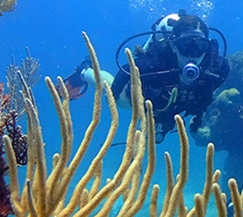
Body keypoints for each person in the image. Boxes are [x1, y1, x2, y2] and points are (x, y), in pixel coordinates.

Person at [64, 10, 230, 143]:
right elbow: (125, 71)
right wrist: (112, 98)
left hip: (173, 106)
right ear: (173, 45)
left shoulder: (217, 68)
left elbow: (207, 94)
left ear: (207, 47)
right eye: (186, 45)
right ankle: (84, 71)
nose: (192, 54)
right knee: (117, 96)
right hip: (139, 98)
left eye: (200, 46)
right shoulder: (156, 62)